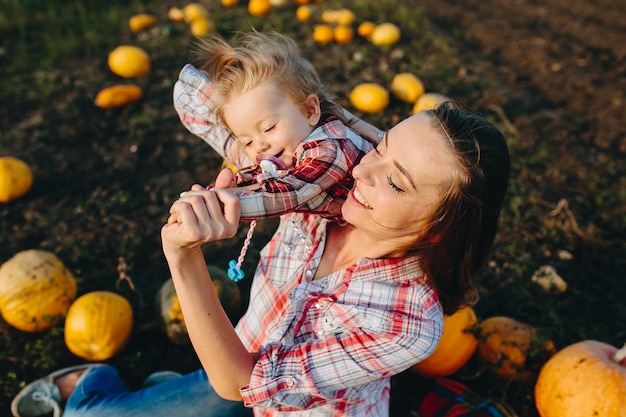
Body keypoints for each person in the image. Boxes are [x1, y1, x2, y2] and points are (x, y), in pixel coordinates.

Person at [11, 102, 510, 417]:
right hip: (238, 353)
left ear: (439, 230)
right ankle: (95, 382)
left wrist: (182, 258)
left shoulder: (406, 322)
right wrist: (250, 155)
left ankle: (150, 389)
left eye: (396, 181)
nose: (363, 170)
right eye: (379, 145)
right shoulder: (324, 184)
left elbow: (240, 383)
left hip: (270, 393)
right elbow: (210, 103)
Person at [173, 31, 380, 280]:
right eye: (247, 140)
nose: (259, 146)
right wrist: (216, 192)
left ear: (311, 110)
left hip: (392, 233)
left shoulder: (331, 150)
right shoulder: (287, 147)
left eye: (269, 128)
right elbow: (258, 176)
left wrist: (217, 206)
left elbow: (285, 194)